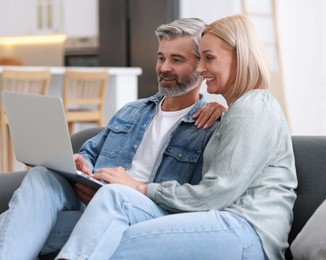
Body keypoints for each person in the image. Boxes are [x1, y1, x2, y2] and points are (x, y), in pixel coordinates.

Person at [57, 14, 297, 260]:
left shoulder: (252, 108)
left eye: (209, 58)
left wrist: (140, 187)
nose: (201, 69)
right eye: (201, 58)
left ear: (240, 56)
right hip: (226, 225)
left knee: (109, 240)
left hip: (247, 232)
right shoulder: (239, 110)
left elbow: (214, 193)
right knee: (99, 235)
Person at [0, 18, 226, 260]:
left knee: (10, 223)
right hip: (95, 202)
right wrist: (83, 165)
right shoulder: (132, 111)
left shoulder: (209, 125)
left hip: (146, 211)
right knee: (42, 176)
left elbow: (201, 196)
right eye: (161, 58)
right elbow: (91, 152)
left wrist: (132, 190)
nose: (164, 67)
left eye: (176, 60)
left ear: (200, 66)